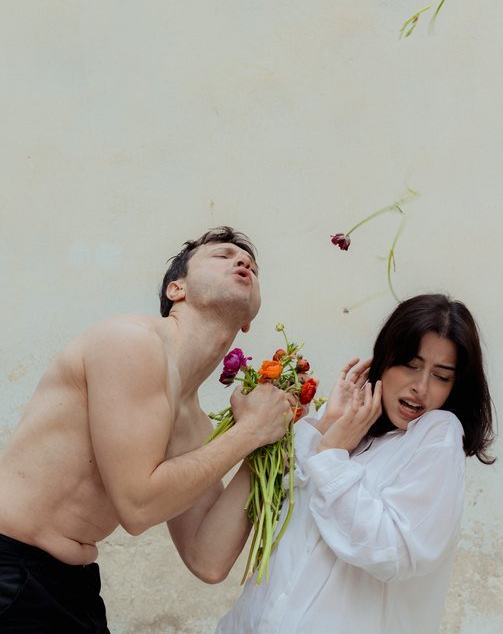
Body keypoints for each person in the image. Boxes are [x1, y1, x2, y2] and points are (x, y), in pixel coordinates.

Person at [0, 226, 294, 632]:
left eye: (252, 267)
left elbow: (208, 559)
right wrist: (248, 433)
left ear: (248, 321)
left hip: (73, 588)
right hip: (10, 569)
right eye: (222, 256)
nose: (243, 261)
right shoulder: (130, 342)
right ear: (177, 289)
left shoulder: (192, 421)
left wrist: (264, 444)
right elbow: (138, 507)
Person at [211, 293, 495, 634]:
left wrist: (331, 455)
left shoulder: (438, 434)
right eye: (410, 365)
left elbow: (393, 551)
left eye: (441, 376)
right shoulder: (352, 427)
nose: (421, 387)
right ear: (385, 358)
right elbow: (286, 518)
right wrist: (327, 425)